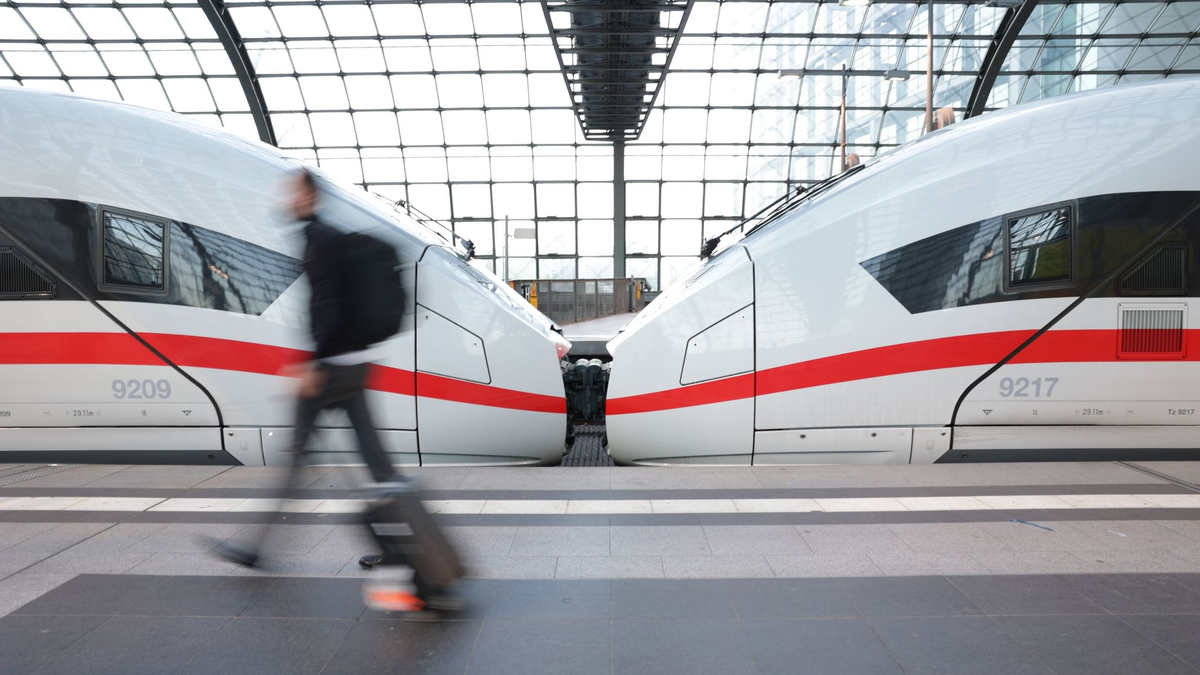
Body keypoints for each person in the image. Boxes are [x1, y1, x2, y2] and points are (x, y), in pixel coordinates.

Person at [217, 167, 398, 563]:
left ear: (309, 197)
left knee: (297, 457)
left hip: (332, 367)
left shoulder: (319, 240)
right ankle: (398, 546)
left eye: (292, 193)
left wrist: (311, 364)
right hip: (355, 362)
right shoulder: (326, 238)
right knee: (376, 461)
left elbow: (328, 306)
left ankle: (255, 547)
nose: (286, 200)